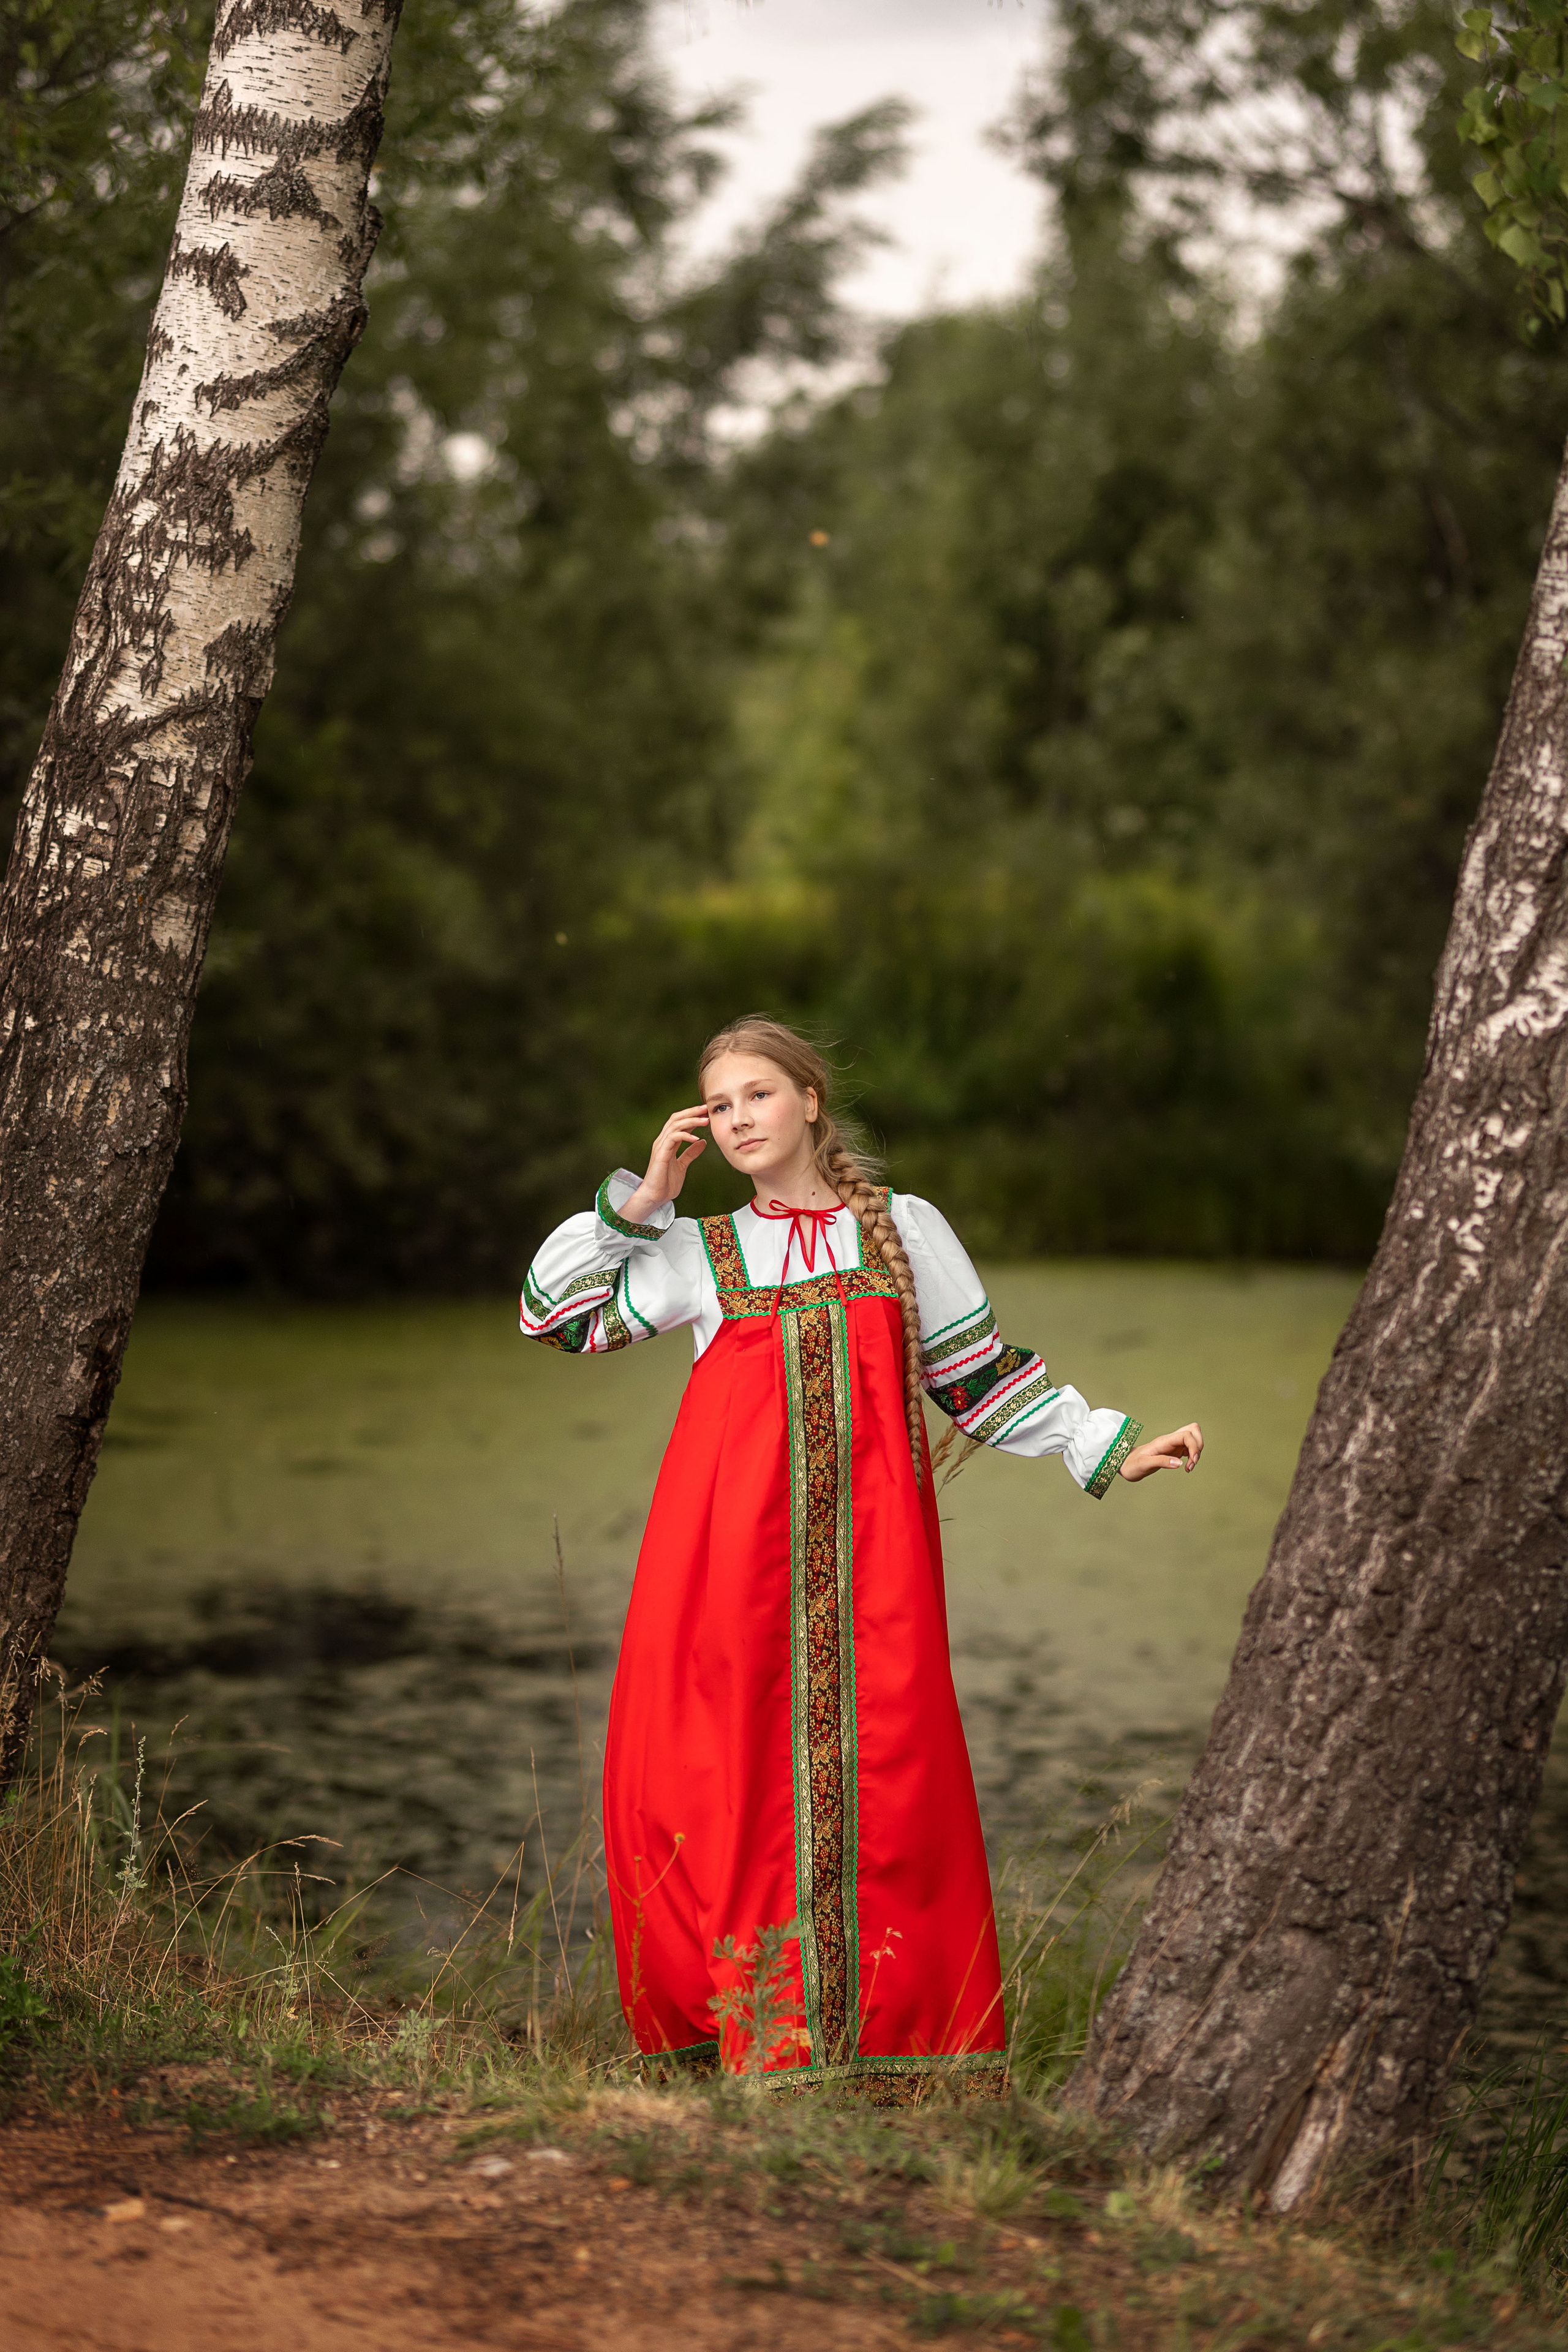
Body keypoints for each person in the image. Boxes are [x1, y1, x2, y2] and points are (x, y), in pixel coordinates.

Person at [519, 1016, 1202, 2096]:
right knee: (731, 1787)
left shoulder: (906, 1229)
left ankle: (888, 2059)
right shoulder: (697, 1251)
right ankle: (763, 2048)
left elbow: (979, 1381)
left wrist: (1107, 1441)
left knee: (889, 1783)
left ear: (810, 1102)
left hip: (873, 1573)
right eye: (720, 1103)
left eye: (760, 1094)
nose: (741, 1118)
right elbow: (553, 1315)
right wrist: (640, 1200)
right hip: (724, 1573)